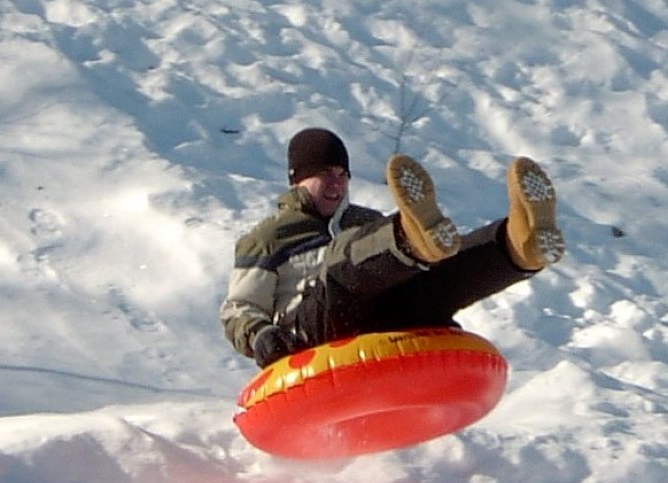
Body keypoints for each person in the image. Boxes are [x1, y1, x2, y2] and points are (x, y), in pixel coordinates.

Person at [221, 127, 565, 367]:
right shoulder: (268, 238)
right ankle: (409, 239)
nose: (336, 183)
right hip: (309, 337)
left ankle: (517, 245)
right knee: (342, 266)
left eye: (343, 174)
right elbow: (240, 309)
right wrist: (262, 336)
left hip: (379, 329)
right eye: (326, 173)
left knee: (432, 280)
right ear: (297, 178)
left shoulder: (364, 220)